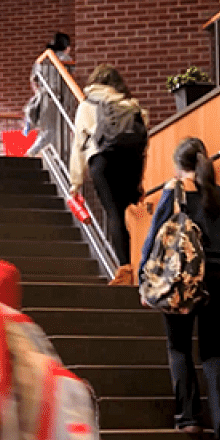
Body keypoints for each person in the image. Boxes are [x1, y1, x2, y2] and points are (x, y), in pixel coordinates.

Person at [140, 137, 220, 440]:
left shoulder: (174, 193)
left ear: (178, 165)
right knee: (212, 351)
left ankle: (189, 419)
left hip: (184, 279)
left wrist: (147, 280)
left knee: (179, 346)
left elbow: (155, 239)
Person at [69, 64, 148, 284]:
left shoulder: (87, 105)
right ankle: (139, 266)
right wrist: (138, 180)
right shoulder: (129, 105)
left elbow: (79, 145)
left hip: (102, 160)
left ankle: (125, 269)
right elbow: (142, 141)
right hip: (130, 162)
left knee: (114, 213)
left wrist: (75, 181)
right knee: (127, 212)